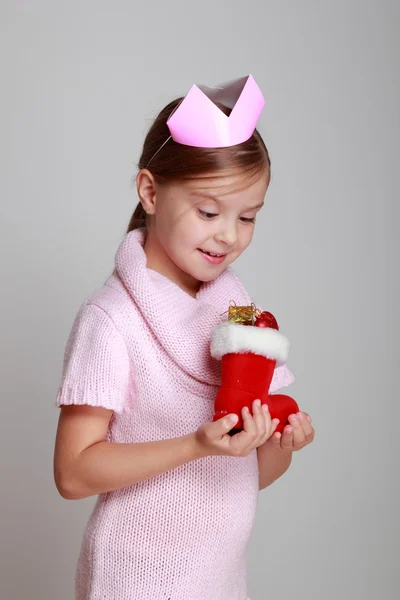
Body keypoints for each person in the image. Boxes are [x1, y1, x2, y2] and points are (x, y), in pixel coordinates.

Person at [53, 75, 315, 600]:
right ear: (150, 192)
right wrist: (194, 443)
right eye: (209, 212)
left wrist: (282, 444)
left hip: (217, 582)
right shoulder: (111, 321)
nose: (229, 235)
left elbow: (244, 477)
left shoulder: (242, 321)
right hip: (135, 579)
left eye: (248, 217)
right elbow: (74, 473)